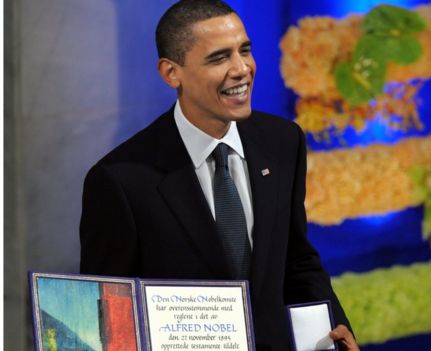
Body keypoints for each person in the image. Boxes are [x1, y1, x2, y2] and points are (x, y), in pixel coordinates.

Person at [79, 0, 358, 350]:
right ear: (171, 73)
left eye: (245, 50)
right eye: (219, 58)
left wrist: (335, 329)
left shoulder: (284, 142)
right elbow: (109, 314)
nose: (242, 69)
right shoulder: (120, 180)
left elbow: (297, 259)